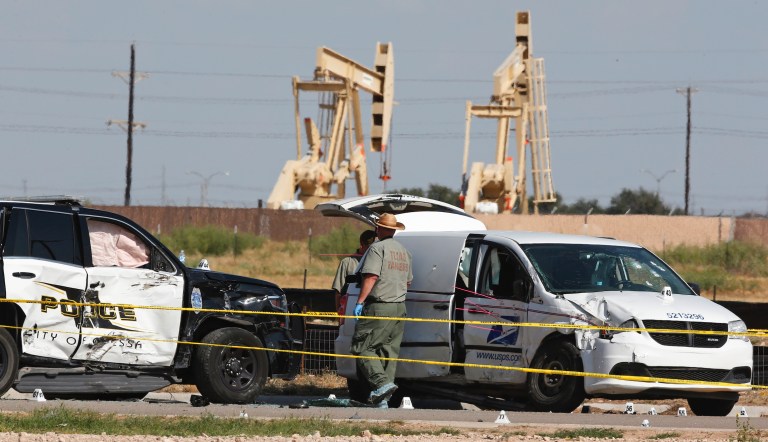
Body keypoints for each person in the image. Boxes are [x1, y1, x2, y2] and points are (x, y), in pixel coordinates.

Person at [350, 213, 413, 407]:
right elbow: (408, 282)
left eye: (378, 227)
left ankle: (381, 384)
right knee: (388, 353)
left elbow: (371, 276)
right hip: (399, 306)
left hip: (379, 306)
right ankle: (382, 400)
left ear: (380, 229)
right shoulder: (404, 252)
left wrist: (360, 301)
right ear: (394, 229)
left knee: (362, 347)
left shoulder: (377, 249)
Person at [331, 229, 376, 309]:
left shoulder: (378, 262)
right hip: (351, 307)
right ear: (362, 245)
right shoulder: (347, 262)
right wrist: (338, 313)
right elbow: (338, 291)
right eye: (370, 247)